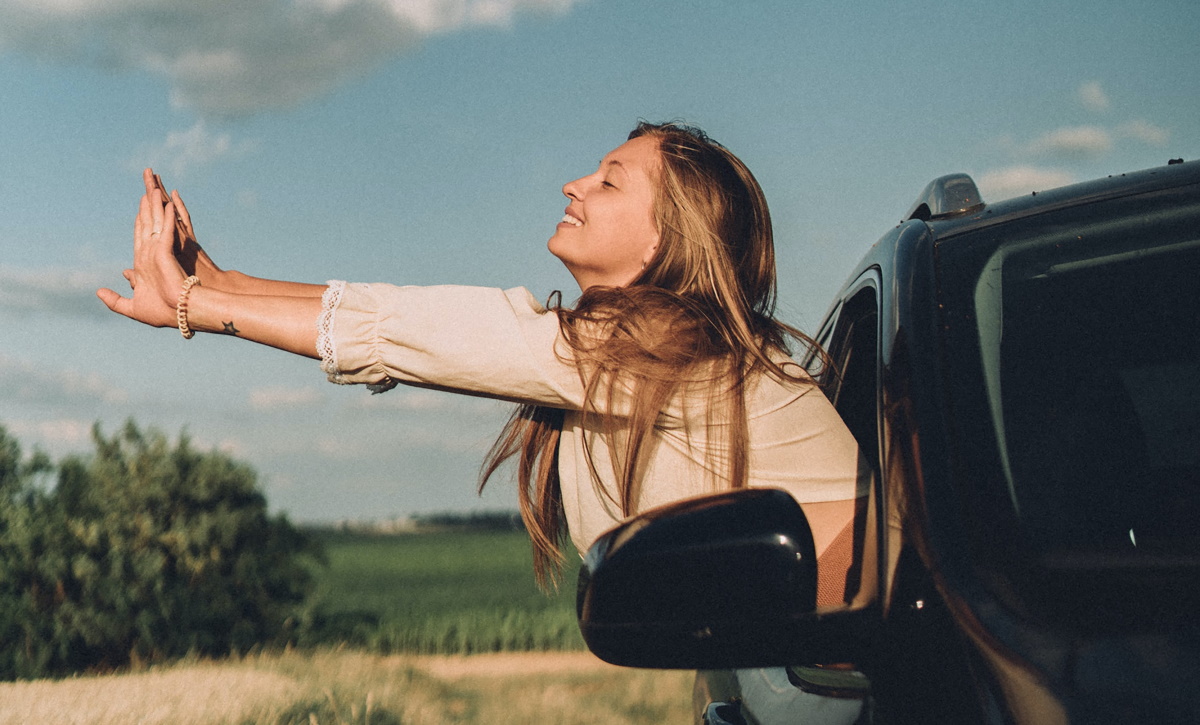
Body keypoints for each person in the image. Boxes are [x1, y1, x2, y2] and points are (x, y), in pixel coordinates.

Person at [97, 121, 868, 595]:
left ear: (663, 238)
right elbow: (393, 314)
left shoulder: (672, 355)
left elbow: (416, 329)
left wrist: (199, 306)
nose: (574, 184)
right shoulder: (650, 354)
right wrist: (221, 282)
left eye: (608, 180)